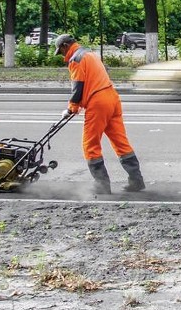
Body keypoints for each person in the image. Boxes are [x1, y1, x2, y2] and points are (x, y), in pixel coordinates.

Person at [54, 34, 145, 194]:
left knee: (90, 145)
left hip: (98, 102)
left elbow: (78, 87)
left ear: (65, 46)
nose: (61, 55)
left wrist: (71, 108)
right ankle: (136, 181)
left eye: (60, 51)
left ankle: (102, 186)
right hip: (112, 98)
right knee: (120, 142)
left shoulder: (76, 59)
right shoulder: (90, 54)